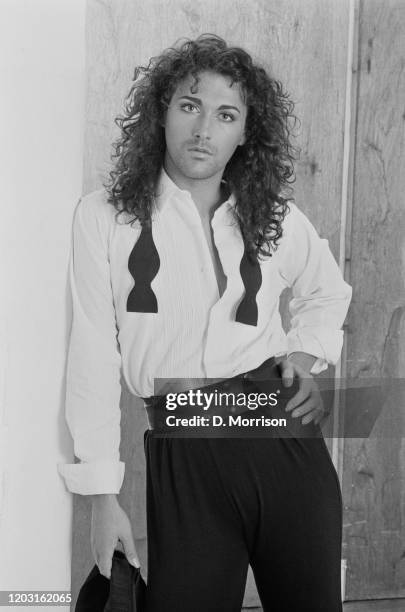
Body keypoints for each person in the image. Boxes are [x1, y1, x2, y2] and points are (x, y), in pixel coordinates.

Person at [58, 34, 352, 611]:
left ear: (244, 132)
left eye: (226, 115)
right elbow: (93, 354)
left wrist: (303, 356)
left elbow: (327, 290)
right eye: (190, 106)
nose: (203, 130)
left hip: (279, 435)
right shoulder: (105, 218)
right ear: (162, 111)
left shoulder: (270, 214)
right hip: (183, 450)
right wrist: (100, 497)